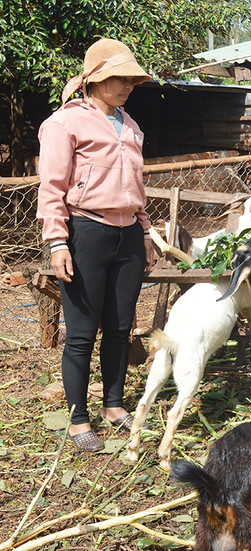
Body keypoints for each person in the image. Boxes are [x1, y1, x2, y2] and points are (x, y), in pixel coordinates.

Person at [37, 38, 154, 452]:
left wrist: (144, 232)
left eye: (131, 80)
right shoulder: (64, 123)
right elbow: (51, 187)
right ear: (96, 79)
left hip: (127, 237)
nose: (128, 86)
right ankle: (78, 418)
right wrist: (57, 242)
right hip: (86, 233)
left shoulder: (131, 125)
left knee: (120, 329)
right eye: (120, 78)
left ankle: (114, 406)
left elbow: (136, 186)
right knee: (82, 332)